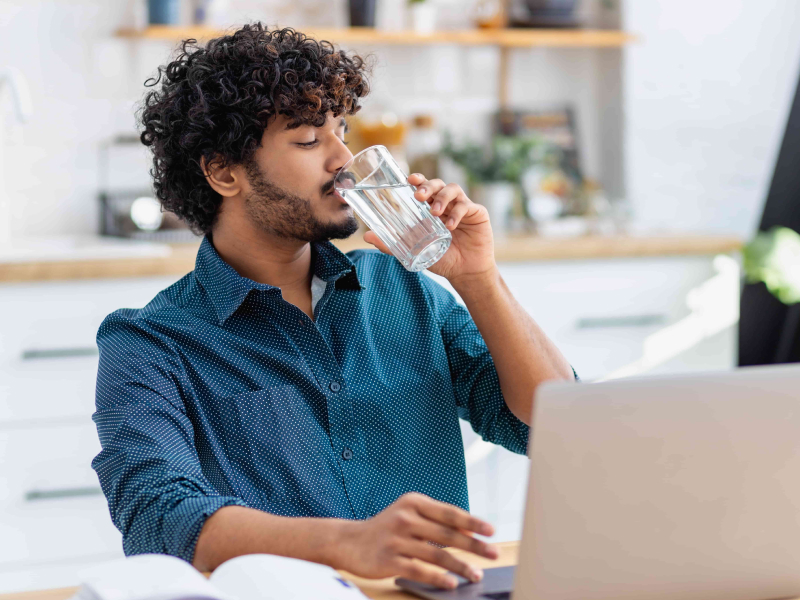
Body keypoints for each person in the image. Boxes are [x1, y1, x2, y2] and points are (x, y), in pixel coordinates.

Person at [91, 23, 578, 591]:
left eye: (341, 130)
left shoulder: (407, 290)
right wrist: (347, 543)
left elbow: (550, 427)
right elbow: (157, 516)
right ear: (223, 171)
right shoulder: (151, 343)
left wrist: (481, 280)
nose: (343, 159)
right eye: (307, 140)